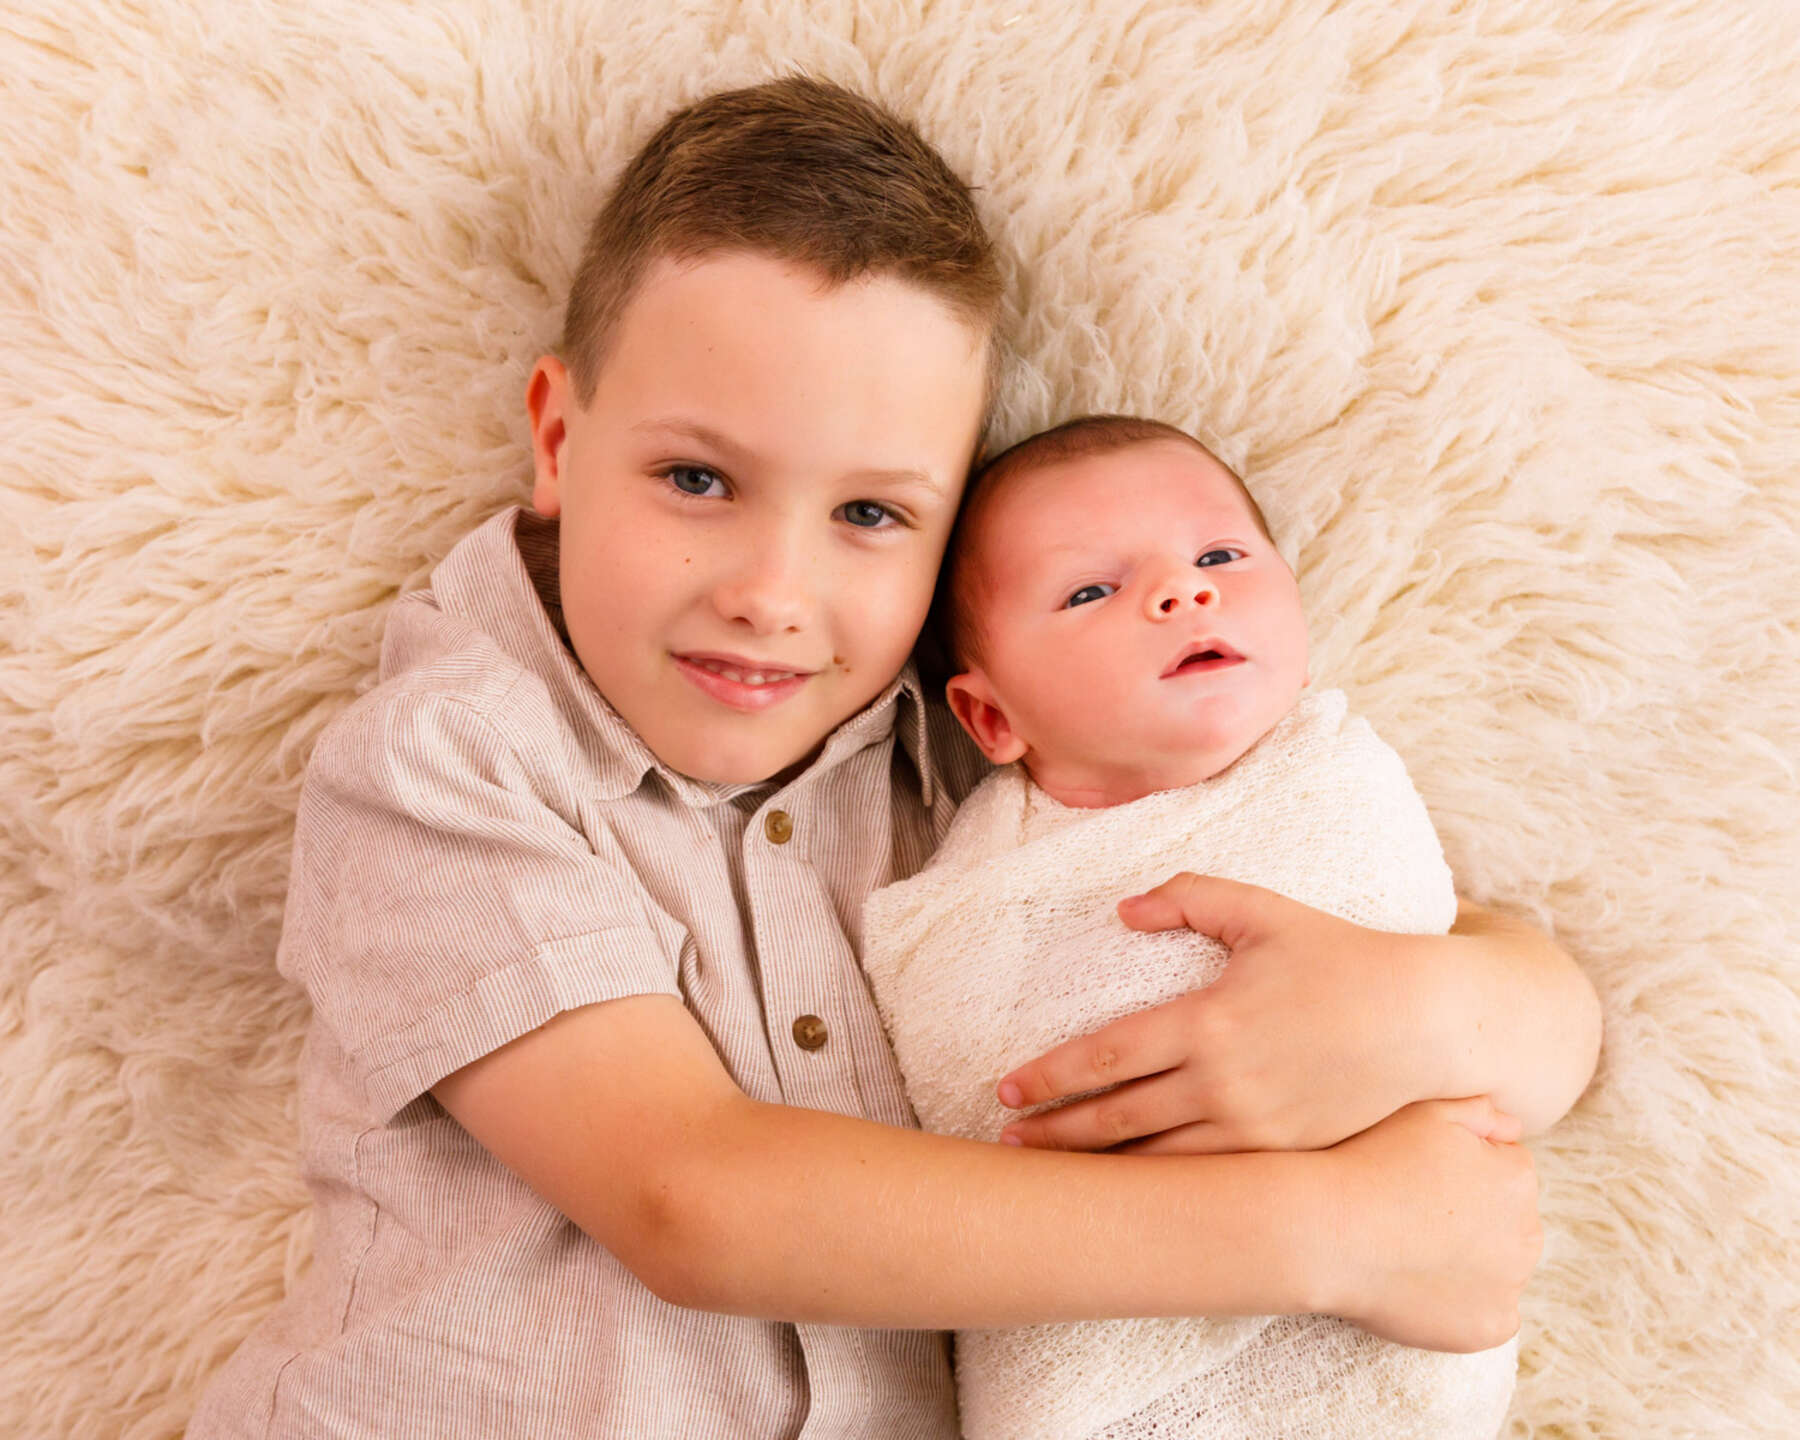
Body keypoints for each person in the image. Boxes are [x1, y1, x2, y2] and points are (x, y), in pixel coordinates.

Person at [187, 77, 1599, 1439]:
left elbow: (1517, 990)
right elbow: (693, 1200)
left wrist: (1427, 1020)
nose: (772, 592)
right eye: (698, 480)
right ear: (560, 439)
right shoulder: (448, 763)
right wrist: (1335, 1236)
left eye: (869, 513)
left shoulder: (967, 751)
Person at [864, 415, 1529, 1440]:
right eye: (1091, 590)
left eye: (1219, 555)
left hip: (1399, 1323)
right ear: (991, 719)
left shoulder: (1338, 783)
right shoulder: (980, 896)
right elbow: (975, 1092)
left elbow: (1444, 975)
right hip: (1129, 1311)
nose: (1183, 592)